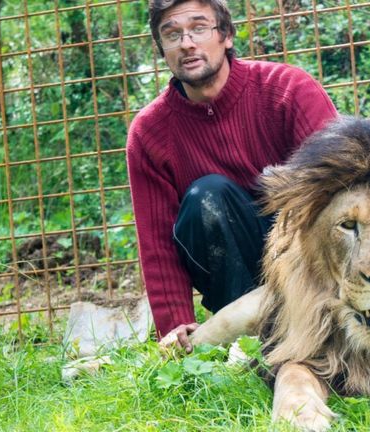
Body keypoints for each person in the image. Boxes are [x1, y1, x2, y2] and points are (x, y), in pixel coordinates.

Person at [126, 0, 338, 351]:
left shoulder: (288, 89)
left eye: (198, 28)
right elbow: (157, 242)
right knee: (208, 195)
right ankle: (246, 342)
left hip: (305, 262)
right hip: (226, 272)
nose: (187, 43)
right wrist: (174, 323)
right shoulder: (149, 132)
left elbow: (338, 190)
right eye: (172, 34)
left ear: (225, 35)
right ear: (161, 48)